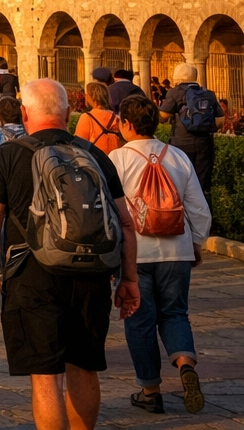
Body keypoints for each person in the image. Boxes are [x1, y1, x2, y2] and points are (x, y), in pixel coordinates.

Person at [0, 78, 141, 430]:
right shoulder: (95, 155)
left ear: (24, 113)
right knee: (84, 367)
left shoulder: (8, 155)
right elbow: (126, 223)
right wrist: (129, 279)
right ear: (68, 112)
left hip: (31, 276)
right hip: (92, 273)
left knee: (46, 377)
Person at [109, 94, 211, 414]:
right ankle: (184, 365)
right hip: (176, 250)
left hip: (134, 254)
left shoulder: (117, 159)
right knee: (175, 313)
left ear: (126, 124)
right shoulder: (178, 156)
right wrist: (195, 242)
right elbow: (199, 209)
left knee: (139, 320)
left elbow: (109, 213)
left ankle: (150, 390)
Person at [159, 64, 219, 198]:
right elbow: (220, 120)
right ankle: (205, 216)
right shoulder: (208, 93)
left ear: (176, 76)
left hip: (181, 144)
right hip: (205, 144)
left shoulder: (175, 92)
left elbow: (164, 115)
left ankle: (183, 217)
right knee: (202, 186)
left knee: (181, 184)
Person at [73, 81, 123, 155]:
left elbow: (79, 146)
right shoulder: (116, 118)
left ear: (92, 97)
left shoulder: (87, 118)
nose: (85, 96)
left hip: (96, 161)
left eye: (87, 94)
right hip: (114, 160)